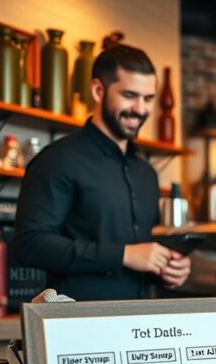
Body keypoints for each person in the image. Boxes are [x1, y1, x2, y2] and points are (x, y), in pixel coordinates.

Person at [14, 44, 190, 301]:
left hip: (142, 327)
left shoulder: (147, 173)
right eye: (130, 95)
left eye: (148, 98)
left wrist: (167, 269)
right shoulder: (58, 159)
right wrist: (124, 255)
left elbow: (141, 257)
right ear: (98, 90)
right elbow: (29, 245)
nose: (141, 109)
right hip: (82, 328)